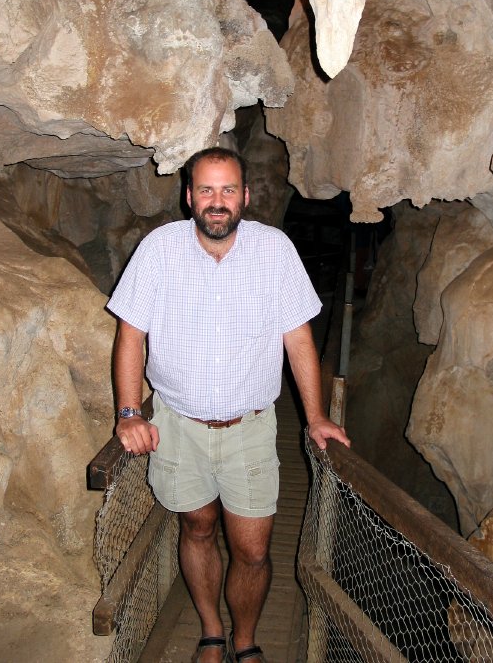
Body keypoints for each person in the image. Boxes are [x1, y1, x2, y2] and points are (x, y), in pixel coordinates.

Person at [107, 146, 350, 663]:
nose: (218, 202)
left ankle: (246, 639)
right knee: (196, 528)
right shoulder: (159, 249)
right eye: (208, 191)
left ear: (246, 195)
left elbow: (299, 338)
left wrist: (317, 417)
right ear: (189, 195)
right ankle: (212, 632)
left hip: (251, 427)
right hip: (177, 424)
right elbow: (131, 334)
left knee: (253, 549)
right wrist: (129, 413)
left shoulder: (275, 250)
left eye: (229, 191)